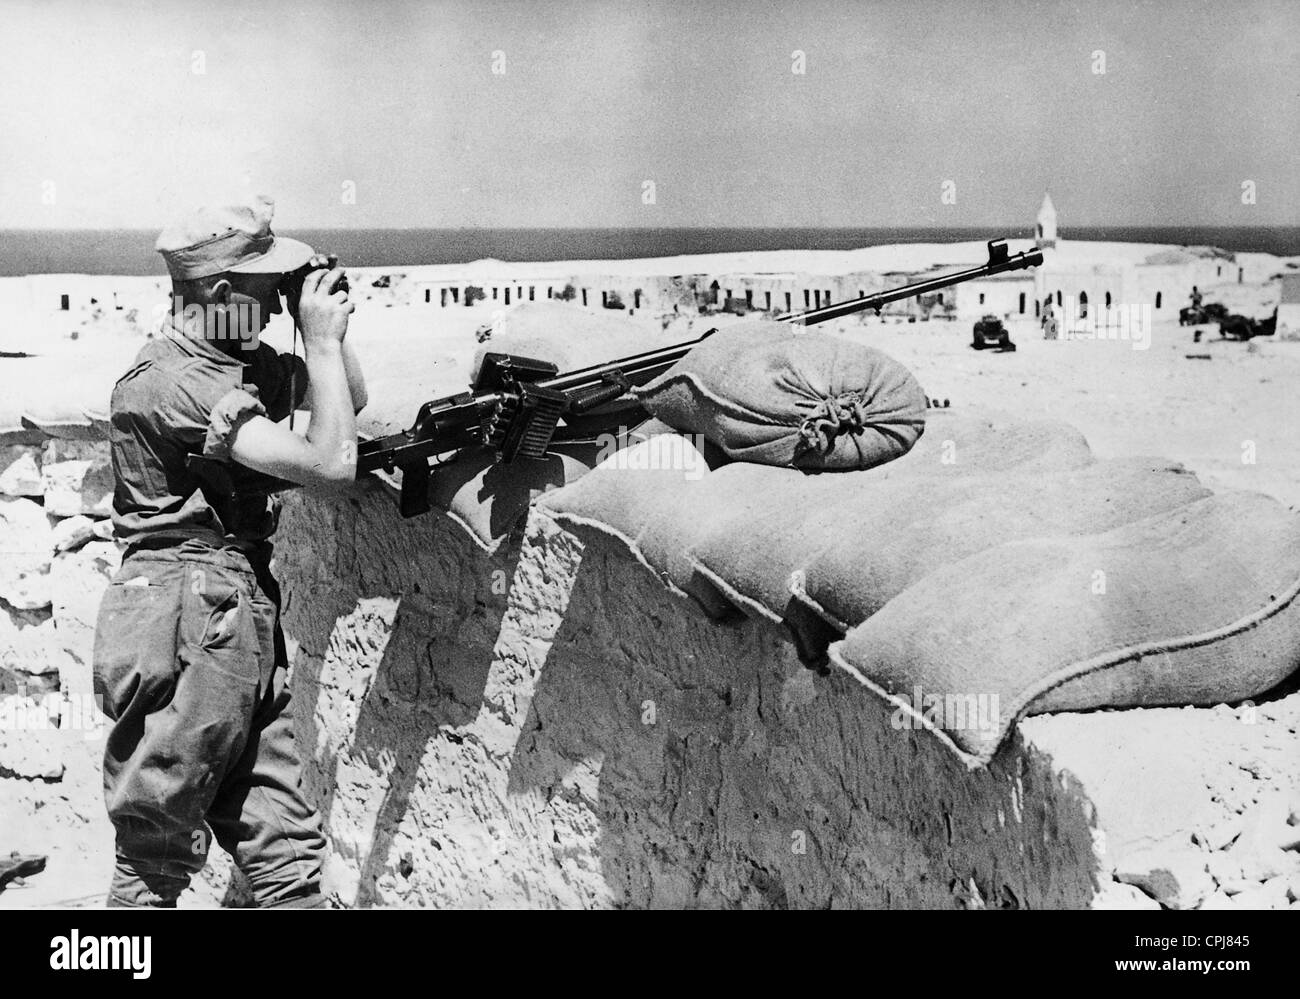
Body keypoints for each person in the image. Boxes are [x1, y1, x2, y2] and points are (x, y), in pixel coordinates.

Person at [92, 196, 367, 908]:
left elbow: (348, 402)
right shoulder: (175, 383)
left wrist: (324, 331)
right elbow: (332, 465)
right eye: (263, 292)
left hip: (231, 613)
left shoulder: (235, 360)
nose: (275, 311)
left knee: (281, 845)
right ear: (217, 295)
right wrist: (322, 345)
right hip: (184, 617)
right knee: (157, 845)